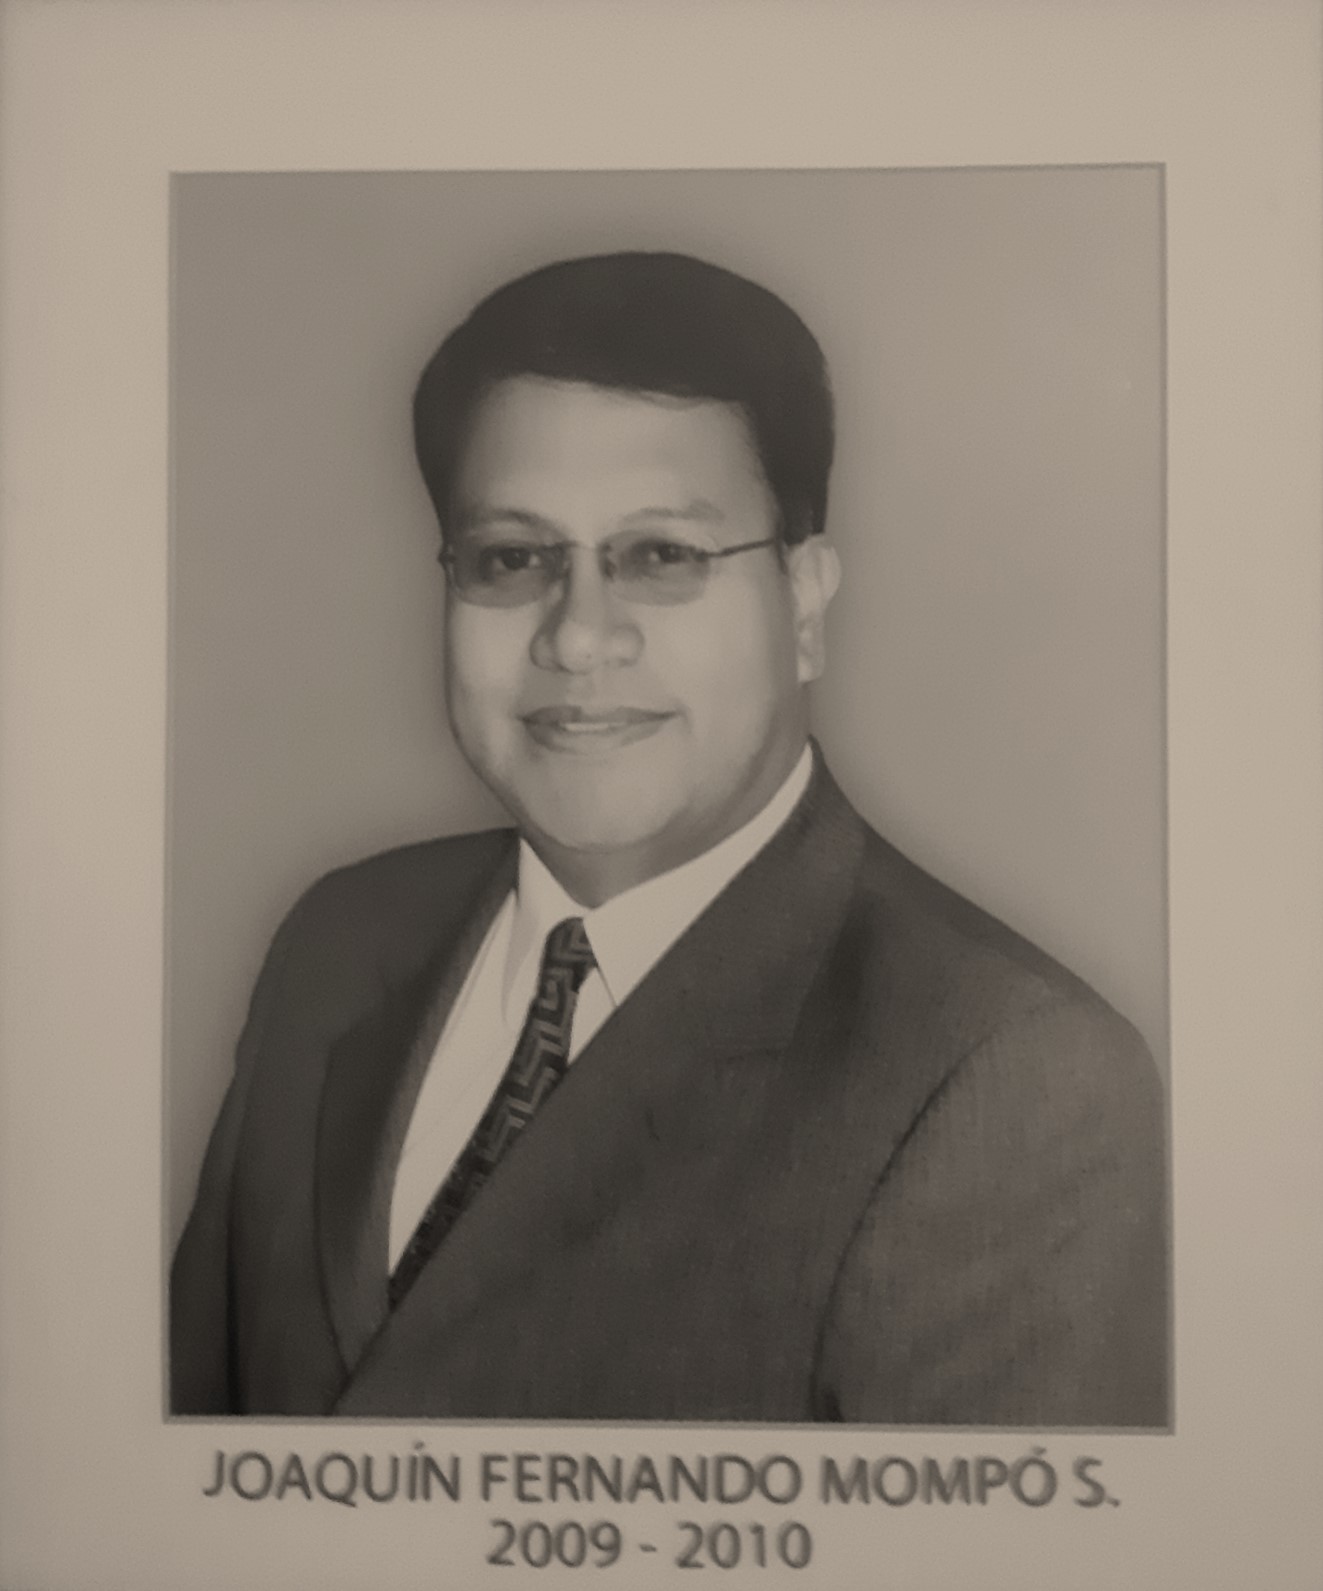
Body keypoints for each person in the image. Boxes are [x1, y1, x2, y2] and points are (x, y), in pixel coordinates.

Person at [170, 250, 1168, 1425]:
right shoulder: (339, 944)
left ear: (805, 603)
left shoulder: (1007, 1074)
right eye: (512, 558)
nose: (577, 637)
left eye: (660, 557)